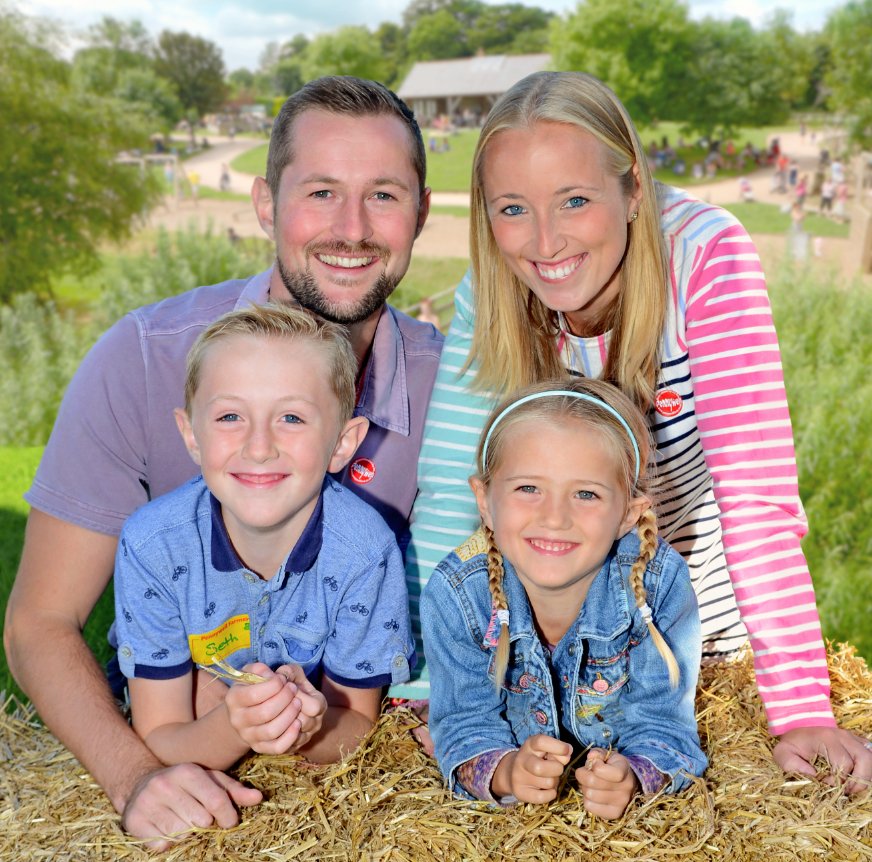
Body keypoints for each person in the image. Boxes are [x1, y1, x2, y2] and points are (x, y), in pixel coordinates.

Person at [4, 75, 443, 849]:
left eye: (383, 195)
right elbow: (41, 621)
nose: (352, 228)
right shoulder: (142, 359)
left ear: (421, 214)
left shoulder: (456, 390)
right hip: (172, 706)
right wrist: (134, 776)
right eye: (320, 192)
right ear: (265, 205)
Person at [403, 71, 872, 791]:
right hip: (561, 640)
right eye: (512, 209)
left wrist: (801, 707)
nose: (545, 240)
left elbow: (755, 495)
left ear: (632, 192)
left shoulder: (705, 257)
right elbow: (448, 496)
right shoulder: (492, 290)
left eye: (576, 201)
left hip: (699, 629)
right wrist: (433, 691)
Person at [114, 303, 415, 772]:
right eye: (230, 416)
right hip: (183, 701)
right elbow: (159, 736)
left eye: (291, 418)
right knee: (196, 692)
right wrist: (235, 727)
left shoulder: (366, 551)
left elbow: (357, 724)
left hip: (304, 706)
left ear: (343, 443)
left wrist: (307, 729)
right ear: (191, 435)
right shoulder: (153, 544)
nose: (258, 447)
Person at [422, 379, 706, 817]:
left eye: (586, 494)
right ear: (485, 500)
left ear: (627, 516)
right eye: (528, 489)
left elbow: (665, 724)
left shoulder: (656, 585)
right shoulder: (458, 593)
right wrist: (507, 771)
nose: (554, 517)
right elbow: (464, 723)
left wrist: (634, 776)